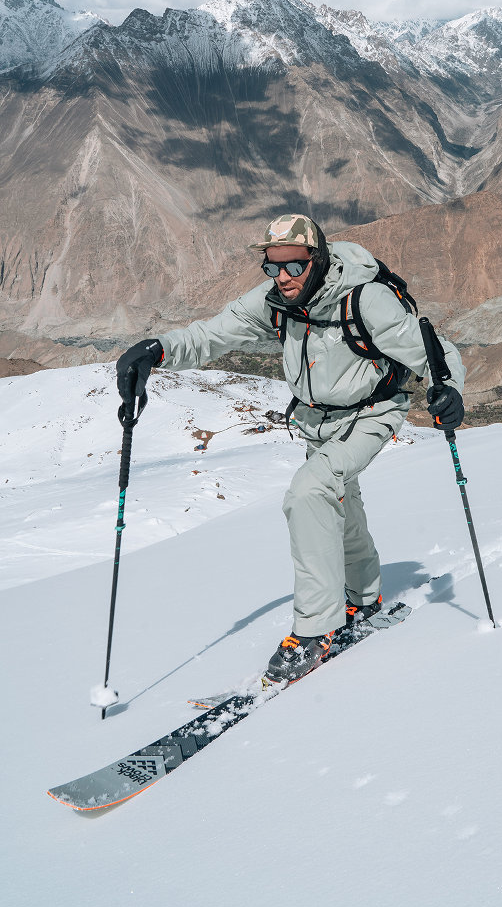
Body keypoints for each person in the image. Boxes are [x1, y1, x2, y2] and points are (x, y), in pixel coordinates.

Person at [115, 213, 465, 683]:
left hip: (370, 414)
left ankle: (315, 631)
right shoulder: (276, 301)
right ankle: (364, 598)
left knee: (309, 493)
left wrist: (448, 389)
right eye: (273, 266)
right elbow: (215, 333)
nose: (282, 277)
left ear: (316, 260)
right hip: (316, 421)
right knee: (339, 503)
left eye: (294, 266)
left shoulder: (366, 301)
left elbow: (436, 352)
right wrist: (157, 350)